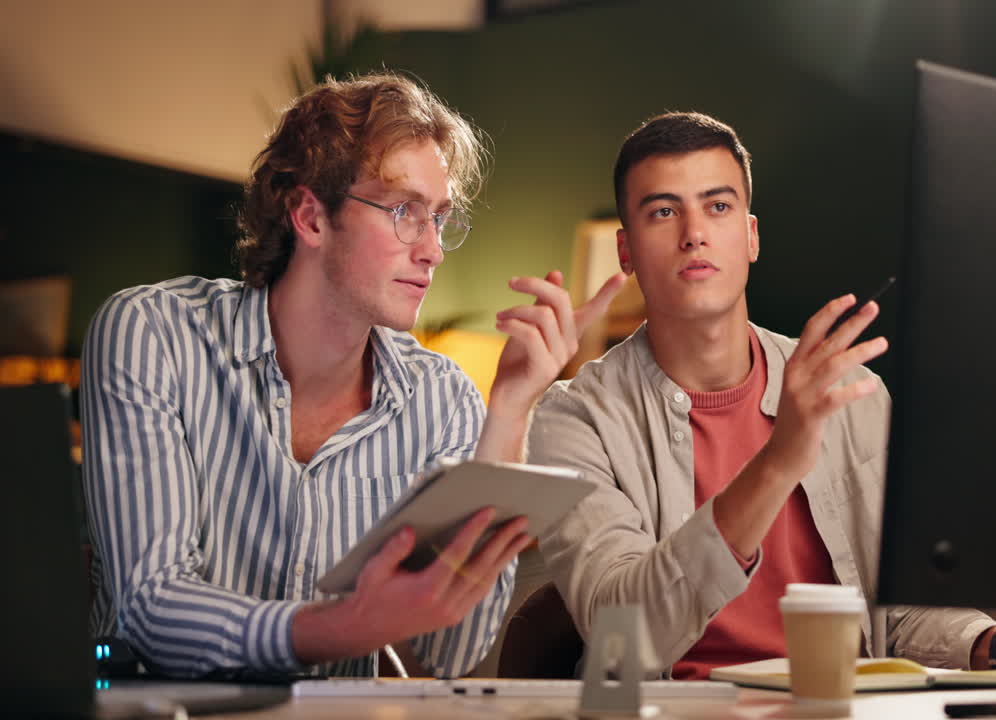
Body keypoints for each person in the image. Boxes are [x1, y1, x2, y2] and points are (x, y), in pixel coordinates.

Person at [80, 72, 625, 678]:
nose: (433, 250)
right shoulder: (153, 334)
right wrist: (346, 626)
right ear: (310, 216)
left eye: (440, 218)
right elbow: (149, 606)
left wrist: (510, 410)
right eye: (404, 211)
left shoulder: (442, 398)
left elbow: (451, 654)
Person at [528, 112, 996, 685]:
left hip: (841, 703)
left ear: (751, 236)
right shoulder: (575, 418)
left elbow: (898, 617)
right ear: (626, 251)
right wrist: (778, 462)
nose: (693, 233)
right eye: (664, 212)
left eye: (717, 206)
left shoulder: (850, 394)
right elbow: (621, 634)